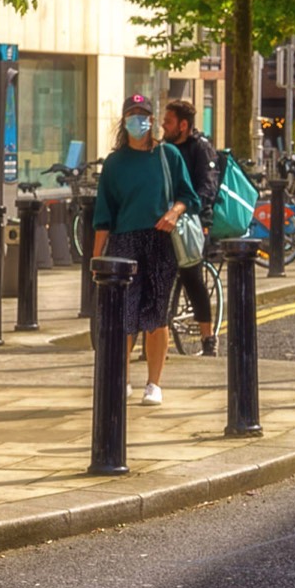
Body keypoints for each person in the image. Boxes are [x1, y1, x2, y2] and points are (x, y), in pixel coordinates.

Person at [92, 94, 200, 406]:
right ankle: (121, 378)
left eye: (144, 114)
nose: (138, 120)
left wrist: (174, 212)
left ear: (152, 120)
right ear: (124, 120)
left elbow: (187, 195)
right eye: (132, 114)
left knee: (157, 316)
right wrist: (97, 260)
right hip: (124, 242)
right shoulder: (114, 164)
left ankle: (154, 384)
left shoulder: (168, 156)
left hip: (159, 241)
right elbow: (103, 217)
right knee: (124, 315)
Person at [160, 99, 220, 357]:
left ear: (183, 125)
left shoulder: (201, 149)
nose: (163, 125)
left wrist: (184, 208)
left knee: (191, 277)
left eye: (169, 121)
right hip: (165, 219)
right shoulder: (163, 149)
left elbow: (207, 188)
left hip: (193, 221)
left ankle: (208, 338)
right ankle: (154, 332)